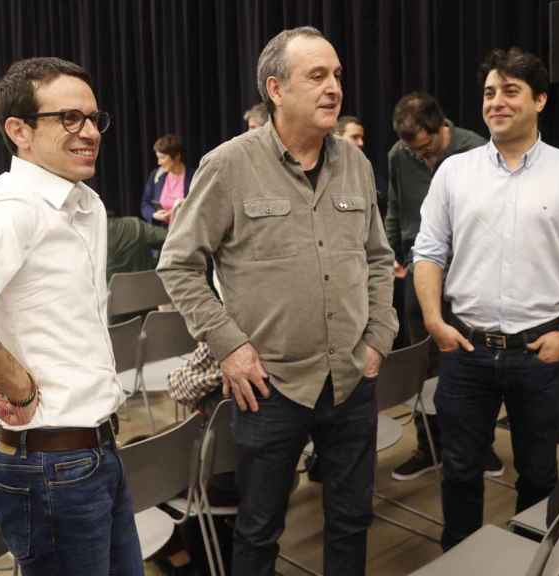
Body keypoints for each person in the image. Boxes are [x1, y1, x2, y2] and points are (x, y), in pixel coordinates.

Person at [157, 26, 396, 576]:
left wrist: (379, 337)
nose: (334, 87)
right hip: (269, 386)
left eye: (337, 75)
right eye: (317, 76)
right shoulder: (228, 165)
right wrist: (231, 348)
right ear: (277, 89)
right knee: (259, 530)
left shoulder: (355, 164)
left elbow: (379, 258)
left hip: (351, 380)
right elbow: (178, 263)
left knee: (352, 520)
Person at [0, 57, 141, 575]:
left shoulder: (87, 205)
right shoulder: (15, 206)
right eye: (69, 119)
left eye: (93, 118)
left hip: (98, 450)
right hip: (50, 467)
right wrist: (16, 383)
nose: (88, 132)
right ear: (19, 131)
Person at [412, 47, 559, 551]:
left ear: (540, 100)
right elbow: (428, 251)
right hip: (465, 349)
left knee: (539, 473)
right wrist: (434, 320)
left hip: (540, 354)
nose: (496, 102)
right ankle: (458, 557)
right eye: (488, 93)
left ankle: (533, 557)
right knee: (459, 472)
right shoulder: (454, 173)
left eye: (510, 91)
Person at [384, 93, 499, 483]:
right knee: (422, 363)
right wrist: (392, 252)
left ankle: (478, 447)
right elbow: (396, 207)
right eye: (413, 150)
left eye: (426, 147)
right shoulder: (400, 154)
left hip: (468, 275)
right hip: (419, 272)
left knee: (470, 362)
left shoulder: (478, 150)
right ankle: (427, 447)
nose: (421, 156)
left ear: (441, 127)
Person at [141, 134, 194, 225]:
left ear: (177, 156)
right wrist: (154, 215)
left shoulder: (193, 176)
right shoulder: (156, 175)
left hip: (183, 229)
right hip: (161, 229)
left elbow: (197, 206)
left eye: (162, 158)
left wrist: (176, 213)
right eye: (158, 158)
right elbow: (145, 204)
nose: (159, 162)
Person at [107, 214, 169, 281]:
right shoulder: (134, 225)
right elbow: (170, 238)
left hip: (113, 290)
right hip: (150, 287)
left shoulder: (95, 241)